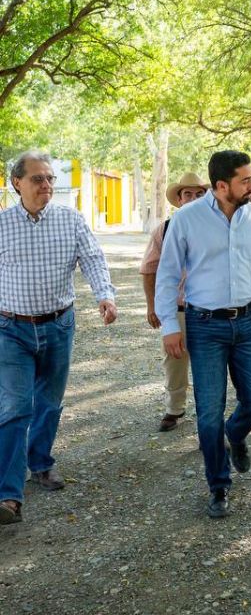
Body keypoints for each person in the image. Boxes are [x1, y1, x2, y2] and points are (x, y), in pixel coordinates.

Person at [156, 150, 251, 518]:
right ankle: (218, 484)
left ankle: (237, 434)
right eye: (246, 179)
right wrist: (168, 326)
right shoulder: (187, 220)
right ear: (222, 185)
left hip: (248, 321)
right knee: (208, 412)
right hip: (204, 324)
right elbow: (166, 275)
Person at [0, 150, 117, 525]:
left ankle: (40, 462)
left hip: (58, 325)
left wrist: (105, 295)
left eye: (50, 178)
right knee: (17, 406)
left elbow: (93, 260)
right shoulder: (2, 224)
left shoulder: (70, 220)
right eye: (38, 179)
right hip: (10, 329)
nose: (46, 185)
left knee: (49, 403)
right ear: (16, 183)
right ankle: (8, 496)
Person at [139, 171, 208, 432]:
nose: (192, 199)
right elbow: (149, 269)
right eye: (187, 194)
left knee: (209, 366)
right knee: (175, 361)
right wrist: (152, 306)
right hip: (178, 310)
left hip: (209, 311)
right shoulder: (165, 229)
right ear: (178, 200)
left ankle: (208, 419)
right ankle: (174, 408)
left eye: (199, 194)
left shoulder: (217, 226)